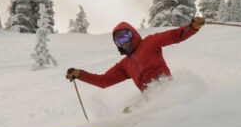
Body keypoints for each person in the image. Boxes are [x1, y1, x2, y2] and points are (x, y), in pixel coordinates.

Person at [66, 17, 205, 92]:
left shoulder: (149, 43)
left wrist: (192, 28)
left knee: (143, 108)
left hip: (164, 87)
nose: (124, 42)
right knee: (129, 112)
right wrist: (80, 74)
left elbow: (174, 36)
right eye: (119, 40)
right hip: (148, 96)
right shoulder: (125, 65)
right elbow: (104, 81)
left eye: (125, 36)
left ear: (133, 34)